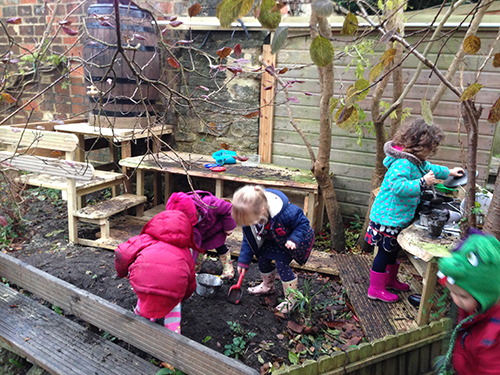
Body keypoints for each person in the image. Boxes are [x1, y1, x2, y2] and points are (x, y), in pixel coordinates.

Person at [365, 119, 464, 302]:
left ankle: (391, 280)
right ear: (418, 145)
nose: (430, 153)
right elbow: (398, 188)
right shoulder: (403, 164)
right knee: (385, 253)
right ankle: (375, 289)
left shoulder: (417, 161)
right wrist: (422, 183)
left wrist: (450, 172)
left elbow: (431, 168)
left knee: (393, 251)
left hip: (397, 217)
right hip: (387, 218)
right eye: (429, 149)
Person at [232, 185, 315, 313]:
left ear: (263, 210)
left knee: (281, 263)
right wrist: (243, 261)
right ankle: (267, 286)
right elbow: (249, 240)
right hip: (274, 238)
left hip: (294, 239)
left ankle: (291, 298)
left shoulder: (287, 212)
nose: (250, 224)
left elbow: (303, 224)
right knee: (263, 257)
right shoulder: (251, 220)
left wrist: (294, 239)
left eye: (251, 221)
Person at [114, 209, 198, 334]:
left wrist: (122, 272)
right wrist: (181, 296)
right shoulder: (185, 252)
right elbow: (191, 281)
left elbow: (123, 253)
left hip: (143, 279)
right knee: (172, 303)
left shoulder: (146, 239)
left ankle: (139, 323)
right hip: (173, 285)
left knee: (146, 295)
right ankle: (173, 334)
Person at [435, 232, 500, 375]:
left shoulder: (494, 336)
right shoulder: (473, 309)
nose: (456, 300)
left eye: (462, 296)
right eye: (452, 292)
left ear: (485, 295)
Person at [166, 191, 237, 279]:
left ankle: (228, 269)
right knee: (197, 246)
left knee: (219, 246)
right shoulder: (180, 211)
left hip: (214, 227)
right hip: (199, 231)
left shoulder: (210, 204)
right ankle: (195, 267)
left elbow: (228, 208)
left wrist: (229, 226)